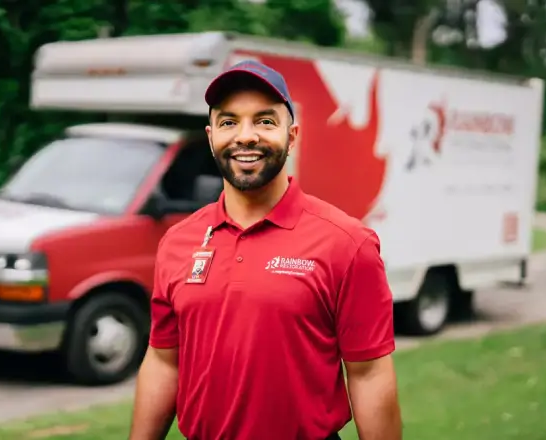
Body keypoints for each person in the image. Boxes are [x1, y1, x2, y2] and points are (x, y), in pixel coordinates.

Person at [128, 61, 402, 440]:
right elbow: (163, 360)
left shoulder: (347, 243)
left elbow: (369, 374)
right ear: (210, 137)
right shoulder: (179, 241)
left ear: (292, 136)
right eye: (228, 122)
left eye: (264, 121)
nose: (246, 136)